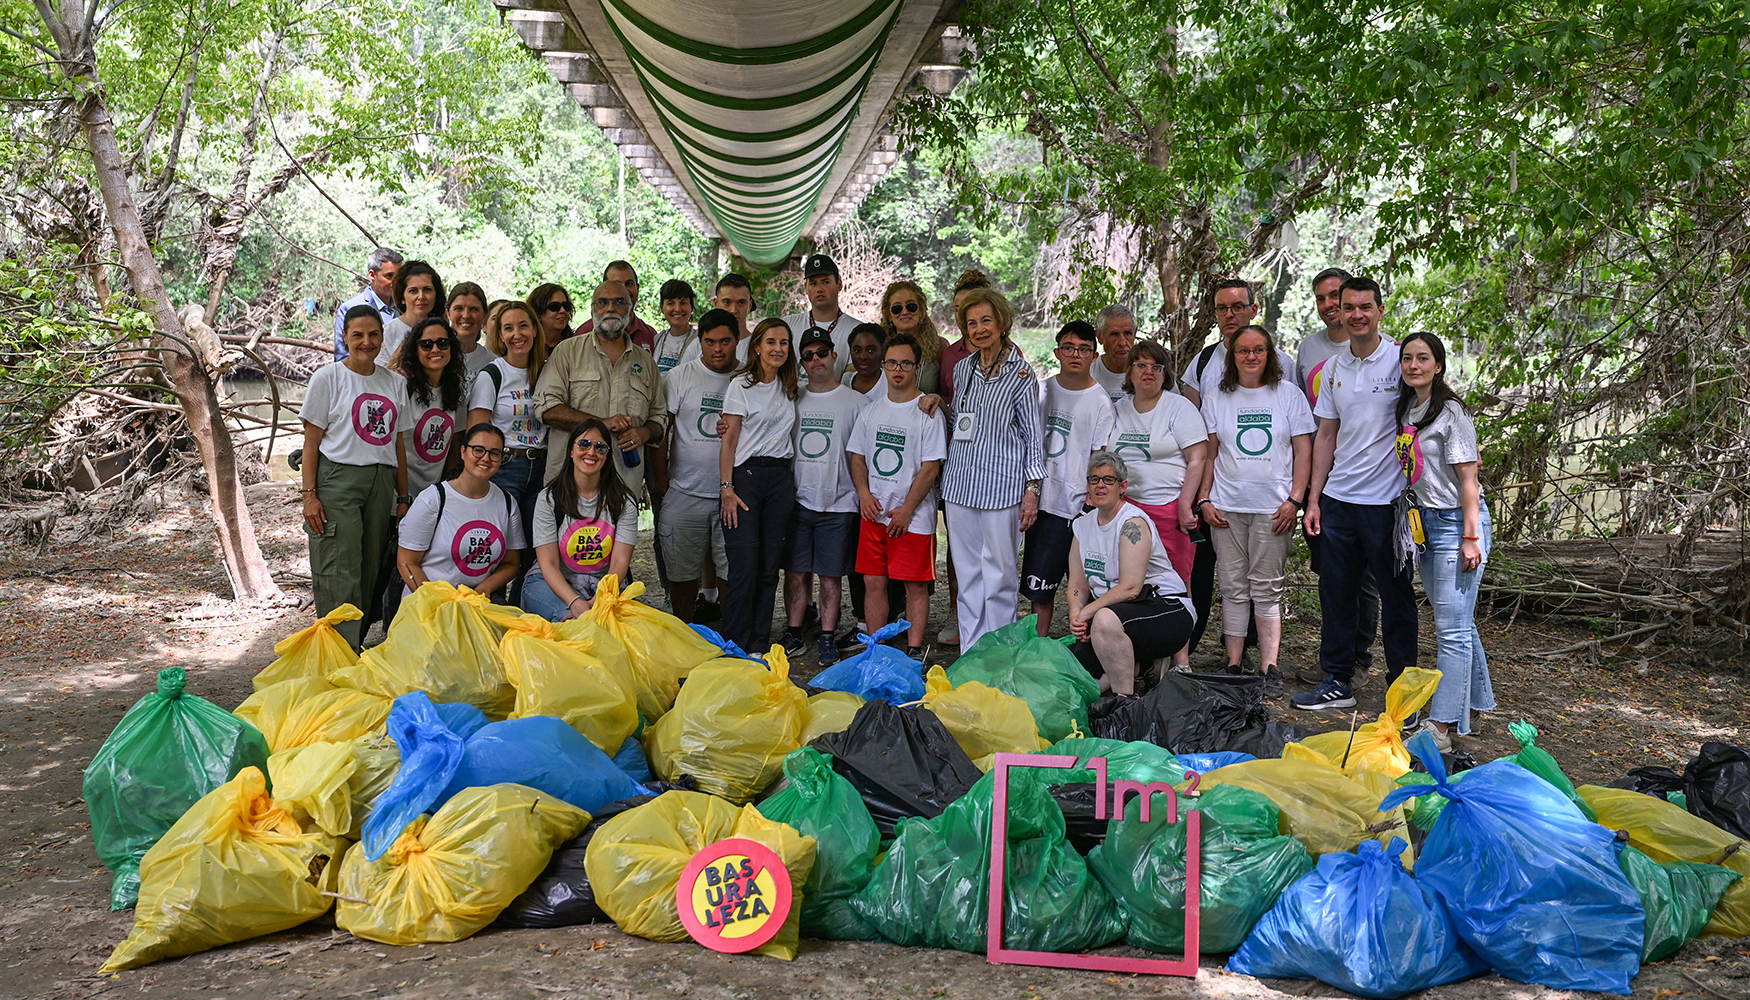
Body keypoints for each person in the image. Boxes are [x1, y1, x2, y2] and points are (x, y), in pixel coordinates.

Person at [1296, 276, 1419, 711]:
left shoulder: (1402, 361)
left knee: (1396, 595)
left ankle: (1404, 689)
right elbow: (1325, 435)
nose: (1356, 315)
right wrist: (1314, 499)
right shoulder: (1332, 369)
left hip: (1388, 502)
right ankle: (1337, 680)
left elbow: (1429, 420)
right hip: (1339, 500)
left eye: (1365, 307)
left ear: (1380, 310)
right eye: (1349, 308)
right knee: (1336, 591)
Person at [1178, 279, 1297, 655]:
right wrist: (1200, 495)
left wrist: (1297, 497)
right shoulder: (1203, 362)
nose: (1230, 315)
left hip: (1267, 496)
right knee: (1216, 577)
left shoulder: (1284, 368)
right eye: (1222, 308)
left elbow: (1295, 434)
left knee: (1261, 582)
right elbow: (1194, 430)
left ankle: (1258, 654)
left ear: (1253, 310)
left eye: (1238, 306)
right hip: (1217, 493)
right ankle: (1197, 649)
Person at [1195, 325, 1313, 699]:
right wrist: (1204, 499)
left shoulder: (1288, 395)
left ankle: (1269, 667)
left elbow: (1304, 451)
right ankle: (1233, 664)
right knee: (1232, 587)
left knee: (1266, 589)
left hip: (1273, 508)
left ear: (1270, 354)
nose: (1250, 356)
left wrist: (1296, 500)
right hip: (1226, 507)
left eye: (1258, 350)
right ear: (1232, 356)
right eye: (1243, 350)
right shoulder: (1216, 397)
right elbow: (1210, 454)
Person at [1397, 331, 1492, 751]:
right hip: (1425, 525)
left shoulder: (1451, 412)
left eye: (1423, 358)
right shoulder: (1409, 408)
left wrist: (1471, 537)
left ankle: (1439, 728)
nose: (1414, 365)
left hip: (1457, 526)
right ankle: (1475, 704)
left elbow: (1469, 480)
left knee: (1451, 631)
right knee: (1460, 623)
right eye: (1407, 359)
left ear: (1438, 365)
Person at [301, 305, 411, 650]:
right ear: (345, 337)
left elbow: (398, 444)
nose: (366, 342)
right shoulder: (328, 378)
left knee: (369, 568)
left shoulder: (394, 382)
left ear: (382, 337)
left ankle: (355, 644)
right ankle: (336, 651)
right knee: (339, 567)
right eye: (358, 335)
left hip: (381, 481)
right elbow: (311, 442)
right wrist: (309, 495)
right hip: (339, 479)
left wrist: (403, 497)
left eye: (373, 334)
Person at [941, 287, 1045, 648]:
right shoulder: (962, 369)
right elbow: (957, 423)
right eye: (971, 323)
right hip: (959, 486)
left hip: (1002, 488)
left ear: (1001, 322)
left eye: (986, 320)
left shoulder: (1021, 375)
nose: (979, 328)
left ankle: (998, 655)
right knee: (968, 576)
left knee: (999, 576)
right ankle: (971, 654)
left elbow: (1034, 438)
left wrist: (1032, 492)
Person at [1293, 266, 1380, 683]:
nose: (1332, 307)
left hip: (1373, 480)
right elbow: (1309, 421)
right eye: (1324, 300)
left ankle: (1359, 659)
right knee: (1330, 573)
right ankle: (1334, 660)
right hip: (1325, 476)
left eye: (1338, 298)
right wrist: (1309, 488)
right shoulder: (1310, 351)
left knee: (1366, 578)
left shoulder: (1388, 354)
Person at [1107, 339, 1207, 669]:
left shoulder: (1179, 407)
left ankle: (1180, 659)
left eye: (1156, 367)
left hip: (1169, 506)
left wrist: (1185, 504)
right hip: (1127, 507)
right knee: (1129, 581)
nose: (1148, 372)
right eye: (1141, 365)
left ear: (1165, 375)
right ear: (1129, 371)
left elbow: (1197, 458)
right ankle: (1136, 654)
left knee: (1178, 580)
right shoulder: (1118, 409)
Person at [849, 332, 947, 659]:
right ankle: (876, 648)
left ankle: (915, 650)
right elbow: (858, 456)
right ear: (884, 365)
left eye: (906, 363)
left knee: (914, 587)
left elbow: (931, 467)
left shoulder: (927, 413)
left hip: (913, 518)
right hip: (874, 514)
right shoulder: (871, 410)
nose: (898, 369)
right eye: (892, 362)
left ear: (917, 367)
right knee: (873, 584)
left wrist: (906, 510)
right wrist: (863, 494)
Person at [1067, 451, 1197, 695]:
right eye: (1094, 480)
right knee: (1079, 673)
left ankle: (1124, 701)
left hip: (1166, 608)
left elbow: (1130, 587)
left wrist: (1088, 612)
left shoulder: (1132, 523)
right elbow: (1077, 582)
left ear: (1123, 486)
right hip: (1119, 615)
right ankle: (1142, 665)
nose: (1101, 485)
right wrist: (1077, 616)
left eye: (1109, 480)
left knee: (1104, 621)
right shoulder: (1082, 526)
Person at [781, 327, 870, 664]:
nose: (816, 359)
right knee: (795, 572)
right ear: (801, 362)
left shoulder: (857, 403)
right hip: (799, 500)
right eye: (808, 355)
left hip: (841, 502)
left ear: (835, 356)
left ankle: (829, 636)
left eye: (822, 352)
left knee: (831, 575)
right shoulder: (792, 398)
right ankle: (794, 632)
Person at [535, 280, 666, 502]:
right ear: (593, 309)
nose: (611, 308)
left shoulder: (646, 362)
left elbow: (659, 418)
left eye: (619, 302)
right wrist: (602, 424)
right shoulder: (567, 352)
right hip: (569, 487)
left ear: (631, 309)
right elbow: (547, 409)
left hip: (624, 488)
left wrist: (643, 433)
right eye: (602, 302)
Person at [1025, 321, 1117, 636]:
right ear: (1057, 352)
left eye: (1083, 349)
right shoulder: (1041, 390)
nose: (1075, 355)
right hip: (1042, 501)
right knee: (1041, 586)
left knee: (1083, 586)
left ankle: (1087, 650)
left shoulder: (1100, 401)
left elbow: (1099, 456)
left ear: (1094, 355)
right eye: (1068, 348)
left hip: (1077, 507)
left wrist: (1091, 505)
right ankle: (1037, 646)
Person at [718, 318, 799, 653]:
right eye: (770, 342)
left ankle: (758, 644)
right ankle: (734, 644)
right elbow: (729, 441)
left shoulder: (792, 386)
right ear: (757, 346)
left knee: (769, 568)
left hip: (780, 479)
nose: (777, 349)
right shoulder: (741, 386)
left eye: (783, 343)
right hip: (746, 478)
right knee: (744, 567)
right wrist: (727, 488)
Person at [659, 309, 739, 623]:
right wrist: (660, 482)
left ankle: (731, 633)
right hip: (684, 490)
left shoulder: (747, 378)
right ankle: (684, 629)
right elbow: (662, 430)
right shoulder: (680, 376)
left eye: (725, 341)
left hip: (731, 493)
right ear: (700, 342)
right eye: (709, 342)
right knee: (681, 571)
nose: (717, 349)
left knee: (730, 569)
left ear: (737, 341)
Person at [467, 300, 548, 601]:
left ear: (535, 331)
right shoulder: (493, 374)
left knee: (531, 547)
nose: (517, 334)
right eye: (509, 328)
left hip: (541, 467)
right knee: (500, 547)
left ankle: (520, 614)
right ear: (500, 335)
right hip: (506, 467)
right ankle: (493, 612)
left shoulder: (546, 370)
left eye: (523, 325)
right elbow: (478, 431)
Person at [523, 419, 641, 620]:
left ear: (607, 456)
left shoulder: (623, 501)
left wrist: (597, 603)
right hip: (552, 583)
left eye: (600, 447)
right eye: (584, 444)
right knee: (568, 621)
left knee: (627, 626)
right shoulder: (550, 498)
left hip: (605, 586)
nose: (591, 452)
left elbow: (619, 563)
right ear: (570, 450)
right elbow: (549, 563)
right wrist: (575, 603)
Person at [395, 423, 524, 598]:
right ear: (463, 451)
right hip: (427, 600)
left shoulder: (507, 503)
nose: (486, 458)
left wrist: (482, 590)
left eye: (494, 453)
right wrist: (435, 601)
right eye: (478, 450)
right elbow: (406, 562)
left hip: (476, 602)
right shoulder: (433, 499)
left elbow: (511, 563)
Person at [933, 268, 990, 646]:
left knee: (993, 549)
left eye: (972, 310)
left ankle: (992, 619)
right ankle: (959, 611)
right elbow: (942, 401)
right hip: (957, 461)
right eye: (958, 310)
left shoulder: (1011, 354)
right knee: (959, 545)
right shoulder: (949, 354)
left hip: (994, 464)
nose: (964, 318)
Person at [396, 316, 468, 498]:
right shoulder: (402, 387)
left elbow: (454, 445)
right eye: (427, 344)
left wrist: (445, 492)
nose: (435, 349)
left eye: (443, 343)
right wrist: (402, 497)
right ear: (415, 349)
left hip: (432, 497)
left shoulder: (455, 393)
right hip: (397, 496)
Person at [784, 254, 865, 377]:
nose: (819, 289)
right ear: (806, 287)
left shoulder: (858, 331)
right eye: (813, 283)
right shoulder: (788, 326)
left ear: (839, 284)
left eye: (826, 282)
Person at [333, 247, 402, 360]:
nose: (395, 282)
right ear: (372, 275)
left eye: (398, 276)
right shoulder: (350, 308)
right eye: (389, 276)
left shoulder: (405, 306)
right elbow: (342, 356)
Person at [578, 260, 660, 352]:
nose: (623, 290)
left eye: (629, 284)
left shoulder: (650, 335)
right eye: (616, 284)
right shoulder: (584, 333)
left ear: (637, 288)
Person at [879, 279, 943, 394]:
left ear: (921, 310)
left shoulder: (939, 346)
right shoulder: (879, 346)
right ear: (888, 315)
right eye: (897, 308)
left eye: (911, 306)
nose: (904, 312)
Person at [380, 261, 445, 363]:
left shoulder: (444, 331)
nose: (421, 297)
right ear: (402, 297)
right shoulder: (386, 334)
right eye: (413, 291)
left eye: (427, 290)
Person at [447, 281, 497, 379]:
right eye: (459, 308)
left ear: (484, 315)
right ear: (448, 313)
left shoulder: (494, 363)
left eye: (473, 309)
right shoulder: (436, 356)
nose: (466, 316)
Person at [1090, 304, 1136, 404]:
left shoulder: (1152, 373)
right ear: (1099, 336)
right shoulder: (1088, 373)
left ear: (1135, 334)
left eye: (1128, 333)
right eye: (1114, 334)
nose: (1123, 343)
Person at [652, 278, 698, 373]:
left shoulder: (700, 340)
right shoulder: (657, 340)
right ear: (662, 308)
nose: (677, 309)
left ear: (691, 307)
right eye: (670, 303)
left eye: (683, 303)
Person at [713, 273, 755, 358]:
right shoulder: (698, 346)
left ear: (750, 305)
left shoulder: (760, 347)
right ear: (716, 303)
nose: (734, 310)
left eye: (741, 303)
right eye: (727, 302)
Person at [527, 282, 575, 354]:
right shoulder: (526, 346)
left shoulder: (576, 343)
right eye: (554, 307)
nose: (563, 310)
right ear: (537, 313)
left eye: (566, 306)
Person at [841, 322, 886, 396]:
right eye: (857, 351)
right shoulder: (846, 381)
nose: (863, 357)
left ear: (883, 351)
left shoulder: (890, 383)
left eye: (871, 351)